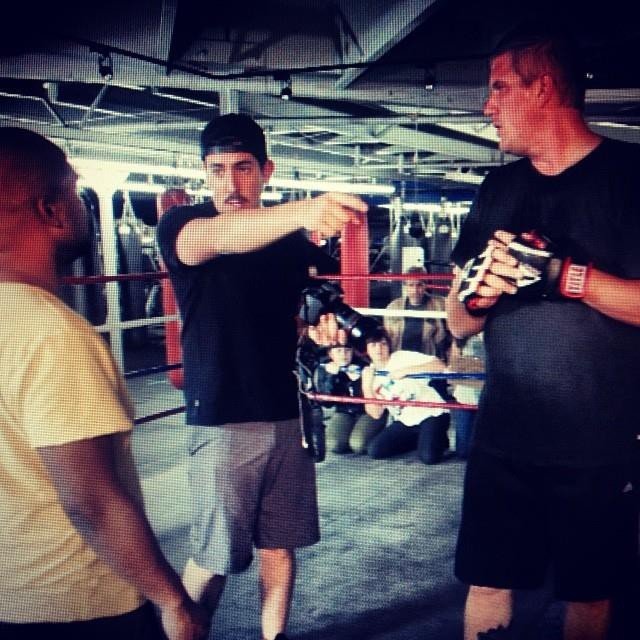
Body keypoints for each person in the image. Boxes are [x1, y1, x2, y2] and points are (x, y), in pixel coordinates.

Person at [445, 25, 640, 640]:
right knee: (487, 580)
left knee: (589, 589)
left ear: (544, 88)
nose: (488, 105)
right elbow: (457, 323)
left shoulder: (629, 179)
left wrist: (563, 275)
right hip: (504, 433)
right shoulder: (498, 189)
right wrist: (477, 291)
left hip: (599, 439)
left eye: (500, 87)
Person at [156, 113, 367, 640]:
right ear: (204, 173)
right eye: (217, 169)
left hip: (286, 412)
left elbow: (296, 315)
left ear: (266, 170)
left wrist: (318, 332)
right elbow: (226, 236)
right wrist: (310, 208)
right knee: (214, 557)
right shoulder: (182, 226)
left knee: (279, 546)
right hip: (223, 418)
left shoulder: (286, 242)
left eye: (243, 168)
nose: (229, 183)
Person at [0, 127, 207, 640]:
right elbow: (92, 502)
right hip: (79, 600)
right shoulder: (50, 333)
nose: (82, 204)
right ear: (51, 210)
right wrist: (173, 600)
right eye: (74, 191)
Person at [361, 328, 450, 465]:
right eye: (373, 345)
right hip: (405, 420)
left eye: (383, 343)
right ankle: (423, 439)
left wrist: (406, 371)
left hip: (431, 413)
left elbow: (439, 365)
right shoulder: (370, 373)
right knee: (375, 450)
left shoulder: (401, 357)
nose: (379, 348)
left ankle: (435, 438)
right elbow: (376, 414)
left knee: (429, 458)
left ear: (389, 346)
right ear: (366, 349)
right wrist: (367, 387)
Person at [314, 343, 385, 454]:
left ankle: (376, 433)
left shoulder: (364, 366)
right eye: (338, 351)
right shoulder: (325, 368)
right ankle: (351, 436)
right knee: (334, 445)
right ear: (330, 354)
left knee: (358, 445)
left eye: (347, 350)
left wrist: (357, 381)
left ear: (353, 352)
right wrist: (331, 377)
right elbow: (326, 403)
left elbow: (374, 395)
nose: (344, 354)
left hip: (367, 412)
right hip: (344, 411)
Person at [384, 266, 451, 361]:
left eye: (419, 285)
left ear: (425, 285)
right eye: (411, 285)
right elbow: (386, 339)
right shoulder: (393, 307)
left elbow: (453, 334)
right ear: (405, 286)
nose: (415, 290)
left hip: (429, 362)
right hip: (400, 361)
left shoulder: (440, 304)